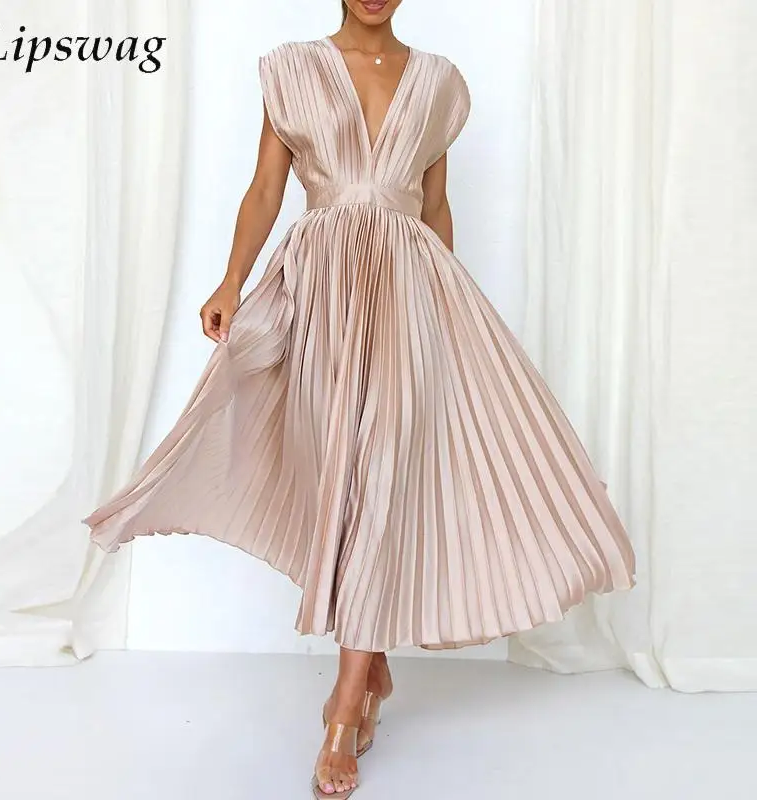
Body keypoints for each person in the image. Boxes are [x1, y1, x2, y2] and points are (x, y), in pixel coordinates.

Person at [84, 1, 637, 796]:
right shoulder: (293, 68)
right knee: (339, 474)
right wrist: (231, 281)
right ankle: (371, 665)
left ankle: (344, 709)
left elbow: (433, 205)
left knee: (384, 473)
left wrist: (446, 312)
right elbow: (266, 187)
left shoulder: (440, 82)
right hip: (324, 291)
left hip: (413, 294)